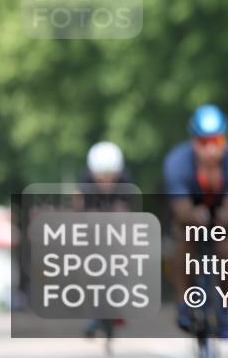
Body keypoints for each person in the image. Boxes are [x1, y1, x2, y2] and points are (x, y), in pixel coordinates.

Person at [164, 104, 228, 340]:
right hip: (190, 212)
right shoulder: (177, 163)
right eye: (204, 143)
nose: (211, 150)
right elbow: (180, 207)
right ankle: (184, 303)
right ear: (194, 142)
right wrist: (193, 215)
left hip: (223, 214)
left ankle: (225, 308)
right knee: (185, 239)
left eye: (218, 142)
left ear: (225, 141)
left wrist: (226, 216)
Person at [77, 141, 135, 339]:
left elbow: (124, 213)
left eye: (110, 177)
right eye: (101, 177)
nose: (106, 182)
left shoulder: (126, 181)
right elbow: (84, 214)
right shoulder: (85, 182)